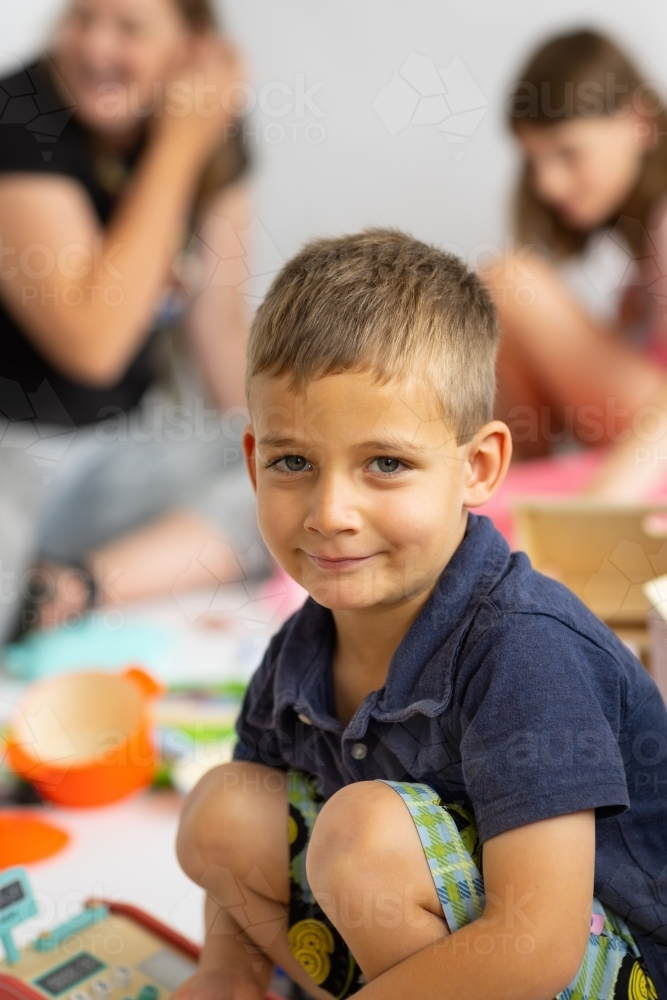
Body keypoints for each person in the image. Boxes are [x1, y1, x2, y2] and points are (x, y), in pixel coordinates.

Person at [175, 230, 667, 999]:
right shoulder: (298, 651)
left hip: (599, 963)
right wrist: (225, 970)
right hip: (434, 947)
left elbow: (538, 946)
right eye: (293, 462)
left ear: (478, 468)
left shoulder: (524, 647)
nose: (330, 513)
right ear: (252, 461)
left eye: (386, 464)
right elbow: (248, 849)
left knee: (364, 838)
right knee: (224, 807)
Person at [0, 0, 263, 641]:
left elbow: (219, 331)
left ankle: (70, 590)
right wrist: (178, 146)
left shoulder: (214, 130)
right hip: (13, 450)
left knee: (294, 474)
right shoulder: (17, 115)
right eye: (82, 19)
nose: (96, 48)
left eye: (128, 28)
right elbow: (91, 345)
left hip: (123, 451)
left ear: (192, 45)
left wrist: (278, 451)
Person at [482, 30, 667, 506]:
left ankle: (508, 489)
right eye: (534, 161)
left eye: (567, 153)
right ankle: (510, 482)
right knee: (506, 325)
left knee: (508, 281)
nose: (547, 183)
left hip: (655, 434)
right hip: (641, 419)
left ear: (639, 122)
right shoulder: (642, 245)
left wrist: (600, 504)